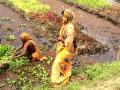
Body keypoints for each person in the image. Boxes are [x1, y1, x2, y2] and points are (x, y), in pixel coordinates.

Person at [51, 9, 77, 87]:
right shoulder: (66, 24)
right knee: (61, 63)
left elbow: (68, 42)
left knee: (57, 64)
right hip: (63, 47)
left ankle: (57, 82)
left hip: (67, 49)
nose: (62, 18)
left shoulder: (70, 28)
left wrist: (61, 40)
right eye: (63, 16)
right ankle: (61, 74)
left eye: (64, 17)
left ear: (68, 17)